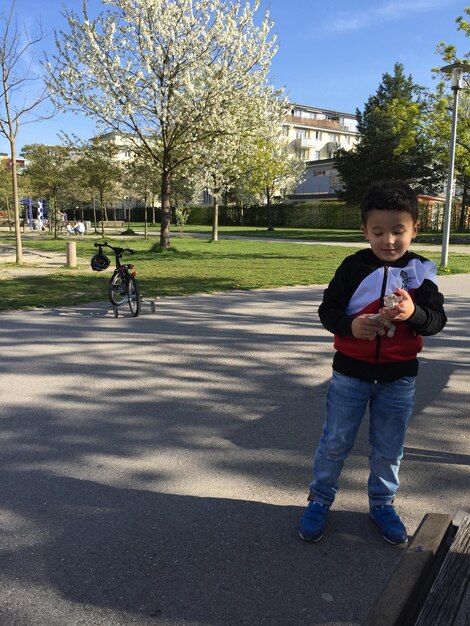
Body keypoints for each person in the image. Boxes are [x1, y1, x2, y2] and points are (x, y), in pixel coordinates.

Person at [298, 181, 447, 545]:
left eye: (399, 231)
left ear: (415, 229)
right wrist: (351, 325)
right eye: (379, 232)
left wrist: (414, 313)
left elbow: (437, 320)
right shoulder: (352, 267)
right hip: (350, 373)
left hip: (399, 379)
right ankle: (320, 500)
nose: (389, 241)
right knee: (335, 442)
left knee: (388, 447)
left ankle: (382, 504)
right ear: (365, 230)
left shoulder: (422, 272)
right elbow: (328, 311)